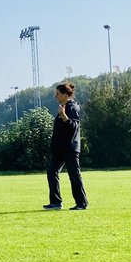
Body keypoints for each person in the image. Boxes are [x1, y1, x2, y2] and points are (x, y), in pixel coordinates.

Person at [45, 82, 88, 211]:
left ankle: (82, 204)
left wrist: (63, 115)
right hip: (59, 149)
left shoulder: (72, 107)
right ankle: (56, 202)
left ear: (65, 94)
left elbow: (73, 127)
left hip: (69, 148)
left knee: (74, 175)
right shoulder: (63, 106)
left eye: (57, 94)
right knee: (51, 172)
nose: (55, 96)